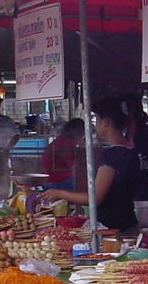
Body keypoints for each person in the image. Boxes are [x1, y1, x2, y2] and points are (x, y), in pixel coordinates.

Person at [40, 97, 140, 234]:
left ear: (105, 122)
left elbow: (94, 198)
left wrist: (59, 193)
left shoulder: (114, 154)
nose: (95, 124)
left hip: (112, 229)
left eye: (97, 120)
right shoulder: (130, 149)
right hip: (127, 223)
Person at [40, 118, 85, 191]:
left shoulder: (62, 140)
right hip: (55, 182)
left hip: (51, 179)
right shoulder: (65, 143)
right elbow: (71, 163)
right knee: (81, 186)